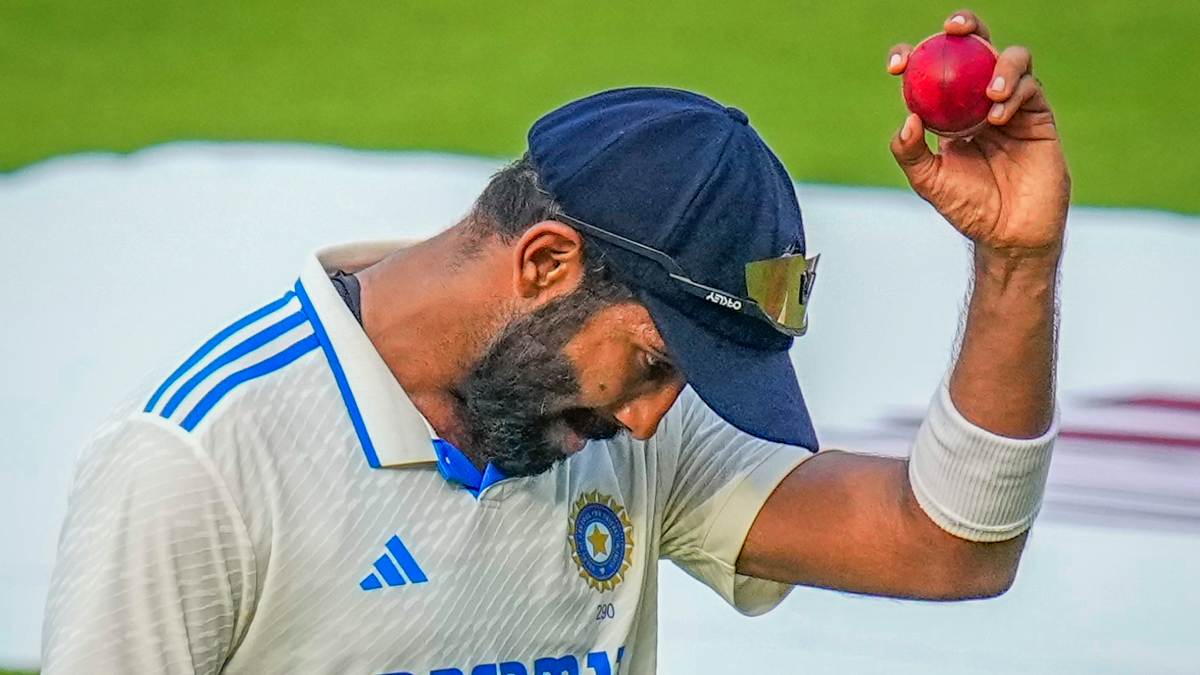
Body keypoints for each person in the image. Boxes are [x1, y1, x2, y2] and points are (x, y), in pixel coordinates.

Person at [41, 10, 1067, 675]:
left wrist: (1017, 263)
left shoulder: (617, 427)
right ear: (544, 264)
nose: (654, 418)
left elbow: (951, 547)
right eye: (656, 363)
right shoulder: (198, 469)